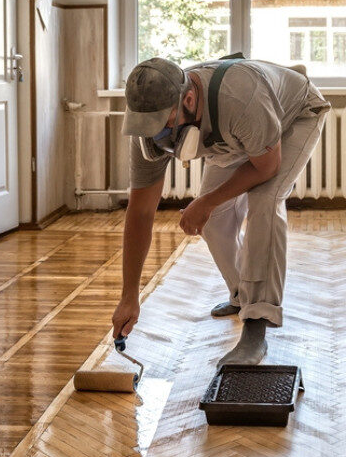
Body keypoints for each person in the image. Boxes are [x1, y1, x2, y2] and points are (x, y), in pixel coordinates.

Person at [114, 55, 329, 364]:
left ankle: (257, 324)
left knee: (265, 201)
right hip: (236, 133)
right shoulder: (146, 124)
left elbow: (266, 168)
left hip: (294, 115)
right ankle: (242, 295)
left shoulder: (240, 97)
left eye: (165, 123)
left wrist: (206, 201)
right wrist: (129, 296)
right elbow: (141, 213)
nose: (158, 134)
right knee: (213, 221)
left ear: (188, 99)